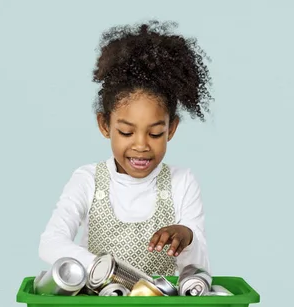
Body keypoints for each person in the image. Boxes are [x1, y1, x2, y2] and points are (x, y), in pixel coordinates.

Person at [39, 21, 213, 277]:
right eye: (126, 132)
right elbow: (50, 243)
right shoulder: (88, 181)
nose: (141, 145)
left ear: (171, 129)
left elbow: (198, 270)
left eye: (155, 133)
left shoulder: (181, 182)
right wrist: (107, 271)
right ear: (105, 125)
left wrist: (187, 237)